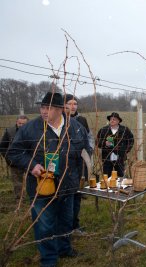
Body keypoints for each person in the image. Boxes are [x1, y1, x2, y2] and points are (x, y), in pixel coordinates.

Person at [6, 92, 91, 267]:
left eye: (48, 108)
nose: (44, 111)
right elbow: (13, 152)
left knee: (66, 221)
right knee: (44, 223)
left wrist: (79, 174)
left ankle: (64, 249)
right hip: (41, 185)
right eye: (42, 107)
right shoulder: (30, 128)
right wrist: (31, 165)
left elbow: (85, 150)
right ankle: (49, 259)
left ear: (60, 109)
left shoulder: (75, 127)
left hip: (68, 185)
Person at [64, 93, 94, 233]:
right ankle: (65, 228)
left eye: (75, 103)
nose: (73, 106)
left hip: (80, 165)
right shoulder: (60, 121)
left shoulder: (82, 120)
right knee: (66, 199)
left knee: (77, 195)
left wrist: (89, 151)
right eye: (69, 103)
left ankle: (75, 225)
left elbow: (89, 137)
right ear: (63, 105)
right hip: (65, 166)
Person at [0, 115, 29, 200]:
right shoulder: (9, 132)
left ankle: (34, 196)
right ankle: (20, 199)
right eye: (19, 123)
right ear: (16, 122)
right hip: (14, 161)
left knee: (32, 180)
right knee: (17, 182)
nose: (21, 125)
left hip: (29, 160)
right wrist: (8, 158)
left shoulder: (32, 131)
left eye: (23, 123)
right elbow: (2, 146)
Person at [97, 112, 134, 177]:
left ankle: (120, 187)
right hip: (107, 157)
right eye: (111, 119)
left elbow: (131, 140)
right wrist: (104, 143)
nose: (112, 120)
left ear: (118, 121)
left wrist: (125, 151)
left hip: (120, 157)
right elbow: (97, 142)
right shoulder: (103, 130)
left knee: (121, 176)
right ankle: (108, 187)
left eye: (114, 119)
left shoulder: (125, 130)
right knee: (107, 177)